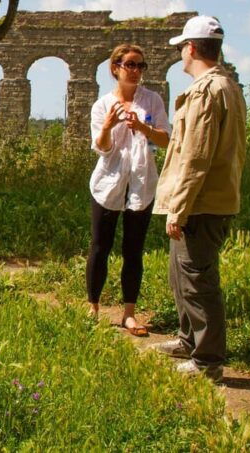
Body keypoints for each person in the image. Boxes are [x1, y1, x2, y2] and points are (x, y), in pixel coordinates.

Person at [150, 15, 246, 382]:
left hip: (201, 204)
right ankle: (189, 341)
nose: (180, 55)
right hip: (208, 201)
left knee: (197, 280)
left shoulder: (208, 90)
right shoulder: (227, 86)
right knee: (183, 275)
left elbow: (196, 156)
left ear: (191, 48)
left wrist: (180, 207)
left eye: (181, 48)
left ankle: (207, 361)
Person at [87, 44, 170, 336]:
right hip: (108, 182)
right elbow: (102, 148)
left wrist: (144, 128)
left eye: (140, 66)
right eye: (130, 65)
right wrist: (108, 126)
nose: (135, 71)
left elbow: (165, 140)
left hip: (142, 181)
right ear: (115, 68)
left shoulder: (153, 101)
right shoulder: (101, 105)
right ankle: (93, 307)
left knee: (133, 250)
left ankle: (129, 314)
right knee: (100, 246)